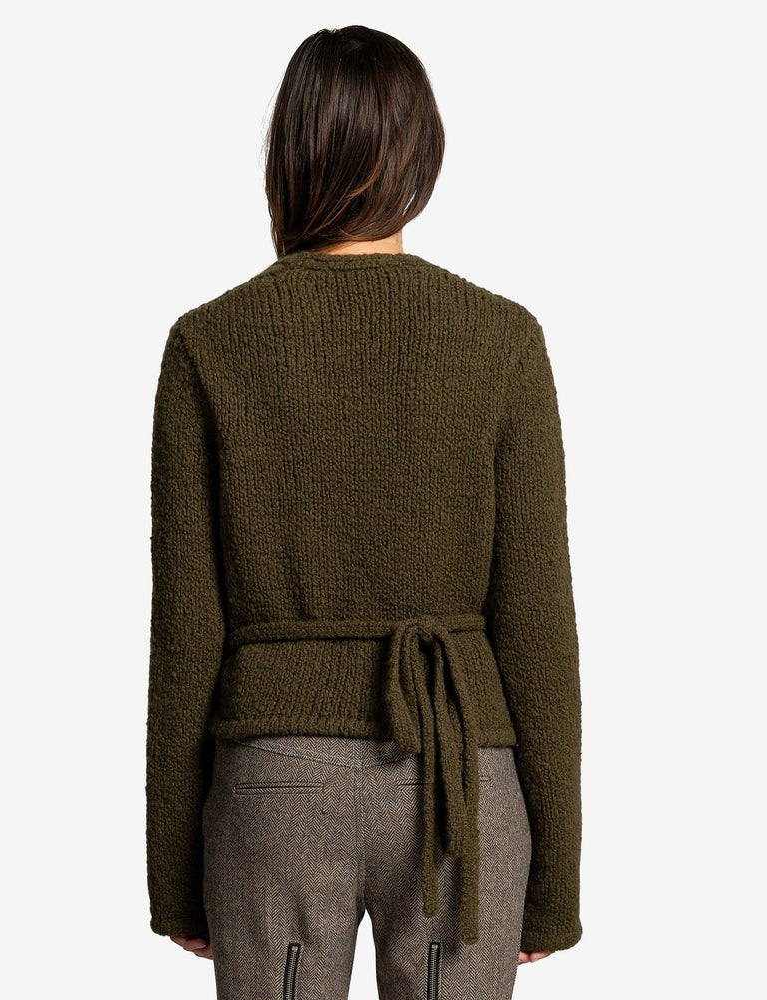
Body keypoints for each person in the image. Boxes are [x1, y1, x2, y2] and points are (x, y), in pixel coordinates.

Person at [146, 24, 582, 1000]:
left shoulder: (210, 344)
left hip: (275, 785)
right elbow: (536, 624)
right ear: (421, 154)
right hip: (457, 784)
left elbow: (184, 633)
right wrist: (553, 882)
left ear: (287, 154)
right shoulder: (502, 341)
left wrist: (174, 877)